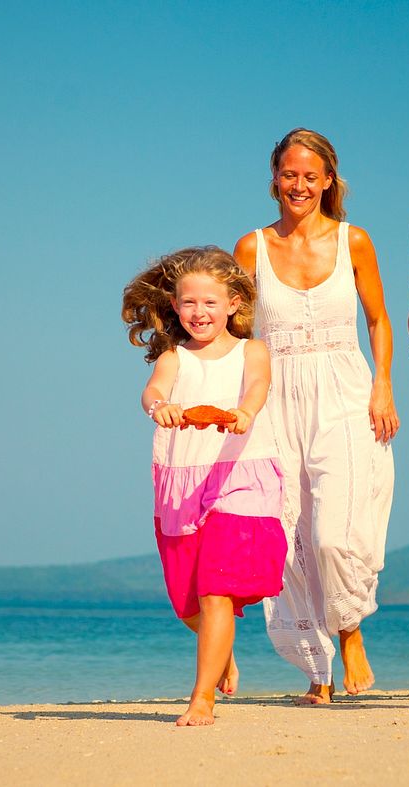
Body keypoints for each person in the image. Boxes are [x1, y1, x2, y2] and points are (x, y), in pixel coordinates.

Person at [233, 128, 398, 704]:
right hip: (276, 397)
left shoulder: (355, 241)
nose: (298, 185)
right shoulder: (251, 248)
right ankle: (318, 672)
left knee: (335, 532)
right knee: (287, 535)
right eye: (289, 174)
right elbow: (238, 335)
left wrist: (383, 387)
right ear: (274, 177)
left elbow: (378, 320)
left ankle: (350, 632)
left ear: (329, 180)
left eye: (311, 175)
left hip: (346, 391)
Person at [121, 246, 287, 726]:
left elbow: (258, 386)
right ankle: (223, 652)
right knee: (186, 601)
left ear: (234, 303)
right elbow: (153, 390)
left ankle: (201, 700)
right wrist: (160, 409)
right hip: (183, 479)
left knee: (218, 590)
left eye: (211, 302)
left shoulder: (250, 350)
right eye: (189, 303)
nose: (200, 312)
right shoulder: (175, 356)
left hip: (242, 472)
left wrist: (245, 413)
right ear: (175, 306)